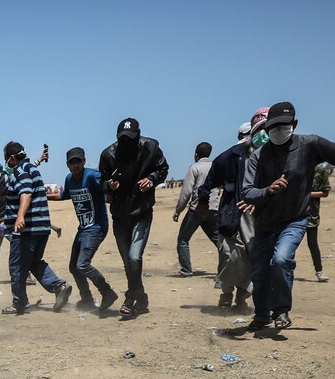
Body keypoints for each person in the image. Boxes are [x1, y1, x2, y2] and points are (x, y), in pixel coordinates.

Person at [240, 101, 335, 330]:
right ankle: (262, 315)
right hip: (265, 223)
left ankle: (281, 311)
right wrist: (267, 190)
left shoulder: (309, 145)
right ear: (266, 129)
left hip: (295, 219)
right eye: (273, 127)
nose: (278, 131)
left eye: (283, 125)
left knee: (281, 260)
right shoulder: (258, 157)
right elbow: (247, 192)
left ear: (294, 123)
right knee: (260, 270)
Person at [198, 108, 268, 309]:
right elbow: (209, 182)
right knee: (230, 254)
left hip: (264, 215)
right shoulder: (232, 156)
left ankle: (243, 295)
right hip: (234, 212)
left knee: (254, 255)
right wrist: (203, 202)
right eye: (261, 129)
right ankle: (226, 292)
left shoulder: (278, 155)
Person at [99, 118, 168, 318]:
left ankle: (130, 299)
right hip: (119, 216)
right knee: (129, 263)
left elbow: (163, 169)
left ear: (138, 136)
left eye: (130, 138)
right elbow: (101, 181)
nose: (126, 142)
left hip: (142, 212)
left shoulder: (151, 147)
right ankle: (142, 298)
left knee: (134, 257)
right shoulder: (108, 154)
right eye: (122, 138)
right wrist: (109, 186)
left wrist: (152, 179)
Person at [2, 141, 71, 316]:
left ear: (12, 158)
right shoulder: (31, 169)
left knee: (17, 267)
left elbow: (26, 193)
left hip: (27, 230)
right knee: (34, 262)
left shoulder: (20, 171)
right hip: (41, 227)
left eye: (6, 159)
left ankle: (19, 303)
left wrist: (20, 216)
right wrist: (40, 159)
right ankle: (59, 287)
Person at [47, 147, 117, 312]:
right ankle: (87, 299)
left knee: (83, 264)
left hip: (96, 227)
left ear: (84, 161)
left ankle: (107, 292)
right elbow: (64, 195)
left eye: (78, 161)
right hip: (83, 229)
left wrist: (111, 187)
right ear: (68, 165)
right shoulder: (69, 179)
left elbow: (106, 186)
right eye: (72, 162)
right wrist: (42, 196)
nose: (75, 165)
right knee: (74, 267)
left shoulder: (92, 176)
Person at [173, 142, 220, 278]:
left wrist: (178, 211)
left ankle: (186, 269)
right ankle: (226, 267)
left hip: (197, 209)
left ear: (196, 154)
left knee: (183, 240)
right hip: (213, 208)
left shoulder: (194, 168)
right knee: (218, 241)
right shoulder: (216, 166)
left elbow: (186, 192)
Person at [305, 163, 331, 282]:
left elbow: (325, 193)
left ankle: (319, 271)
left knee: (312, 243)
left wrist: (306, 195)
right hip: (292, 213)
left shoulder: (320, 169)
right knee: (290, 244)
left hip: (311, 214)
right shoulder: (294, 164)